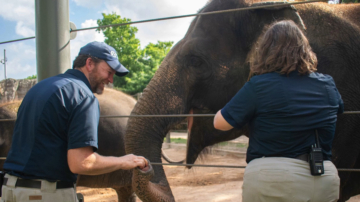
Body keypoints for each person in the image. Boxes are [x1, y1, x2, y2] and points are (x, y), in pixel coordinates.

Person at [1, 41, 149, 202]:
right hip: (46, 194)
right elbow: (82, 163)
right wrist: (123, 161)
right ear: (90, 63)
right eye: (108, 71)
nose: (111, 79)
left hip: (10, 190)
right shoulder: (82, 96)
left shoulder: (38, 88)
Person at [213, 20, 343, 202]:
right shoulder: (327, 83)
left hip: (271, 179)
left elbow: (220, 123)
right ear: (305, 49)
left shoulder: (258, 85)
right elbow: (337, 110)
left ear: (266, 51)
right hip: (322, 177)